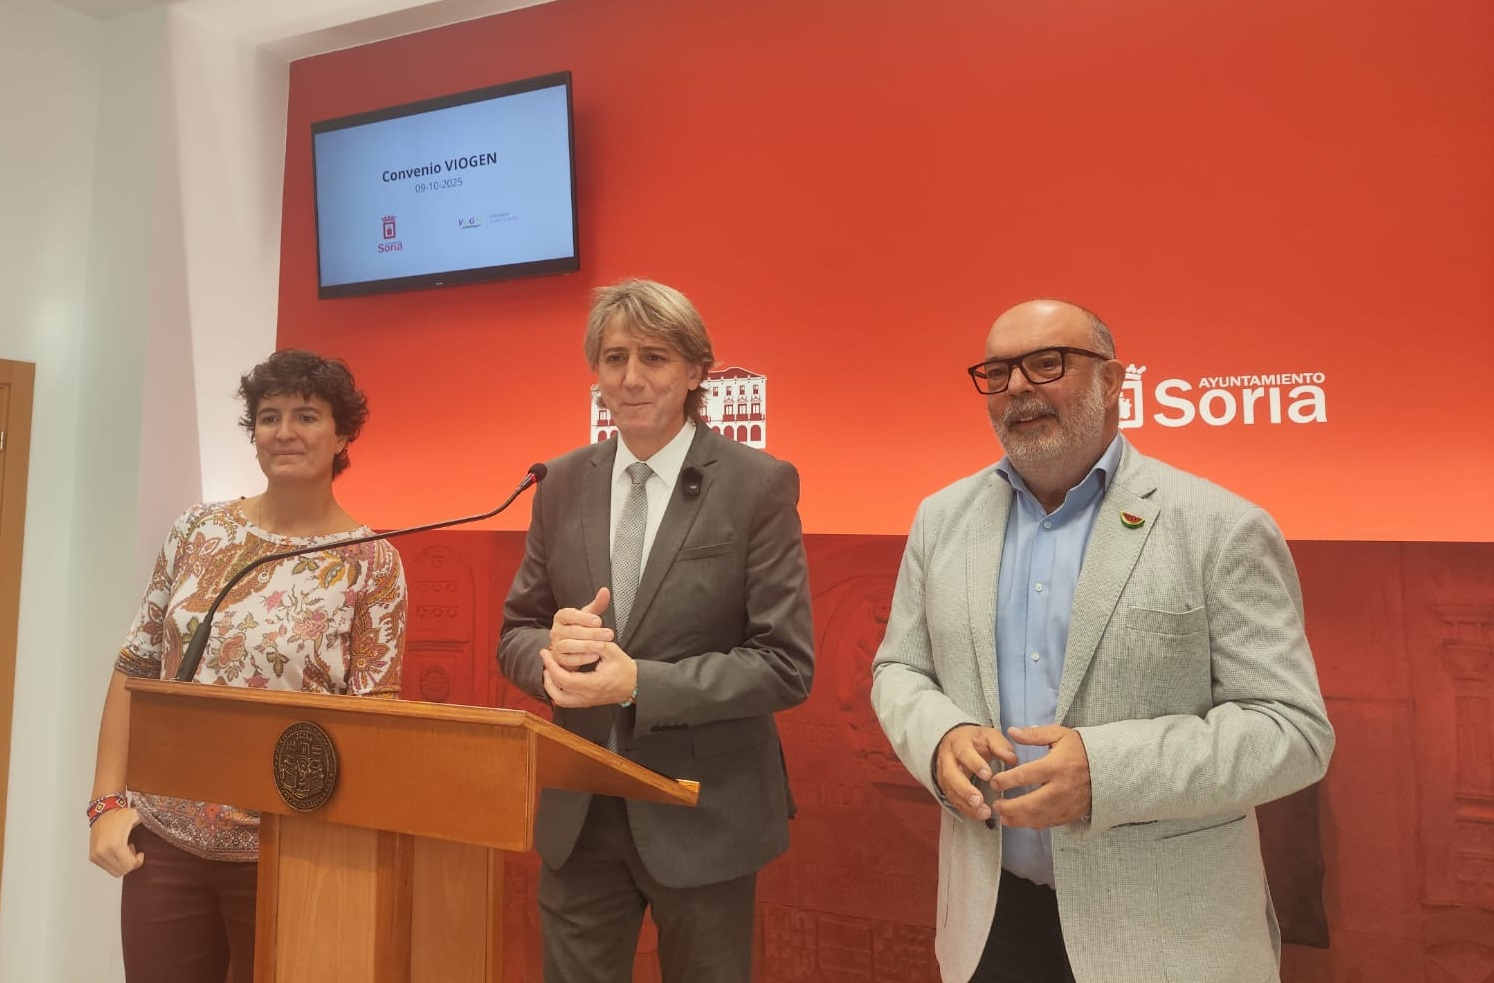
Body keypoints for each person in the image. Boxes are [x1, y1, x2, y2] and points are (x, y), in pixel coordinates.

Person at [869, 299, 1335, 983]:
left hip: (1167, 940)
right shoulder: (941, 520)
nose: (1018, 387)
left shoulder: (1220, 527)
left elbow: (1293, 731)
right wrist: (941, 736)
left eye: (1046, 363)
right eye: (997, 372)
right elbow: (899, 668)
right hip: (988, 924)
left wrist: (1106, 773)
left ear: (1112, 381)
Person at [498, 277, 814, 983]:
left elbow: (784, 663)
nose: (631, 378)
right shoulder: (560, 482)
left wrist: (639, 681)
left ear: (696, 370)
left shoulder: (757, 484)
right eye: (614, 358)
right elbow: (517, 630)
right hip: (581, 811)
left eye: (654, 357)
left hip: (705, 810)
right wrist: (550, 653)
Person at [87, 349, 407, 983]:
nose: (285, 432)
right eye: (269, 416)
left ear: (342, 435)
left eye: (306, 416)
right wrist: (105, 803)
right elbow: (135, 666)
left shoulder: (372, 564)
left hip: (290, 851)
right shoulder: (197, 532)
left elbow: (374, 726)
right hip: (164, 844)